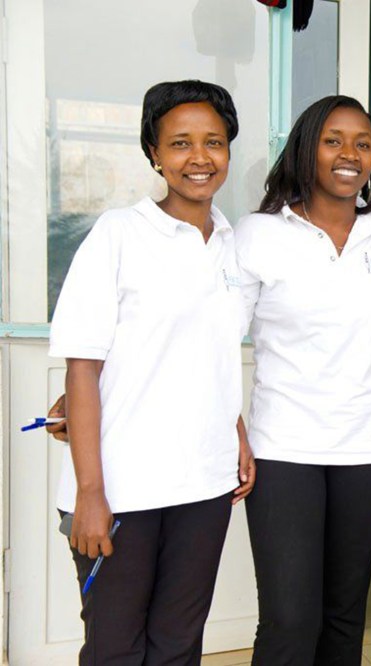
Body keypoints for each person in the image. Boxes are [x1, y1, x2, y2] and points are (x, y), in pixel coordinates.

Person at [48, 80, 253, 665]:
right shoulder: (119, 234)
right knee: (115, 650)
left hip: (203, 487)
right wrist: (90, 492)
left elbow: (205, 353)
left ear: (229, 151)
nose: (199, 158)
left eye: (214, 142)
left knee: (178, 647)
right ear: (155, 154)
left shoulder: (231, 245)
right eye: (181, 143)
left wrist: (234, 430)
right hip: (122, 489)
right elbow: (82, 370)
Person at [236, 95, 371, 664]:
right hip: (285, 445)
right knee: (289, 619)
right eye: (333, 140)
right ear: (307, 150)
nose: (349, 154)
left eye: (362, 143)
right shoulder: (258, 234)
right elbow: (210, 338)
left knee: (343, 614)